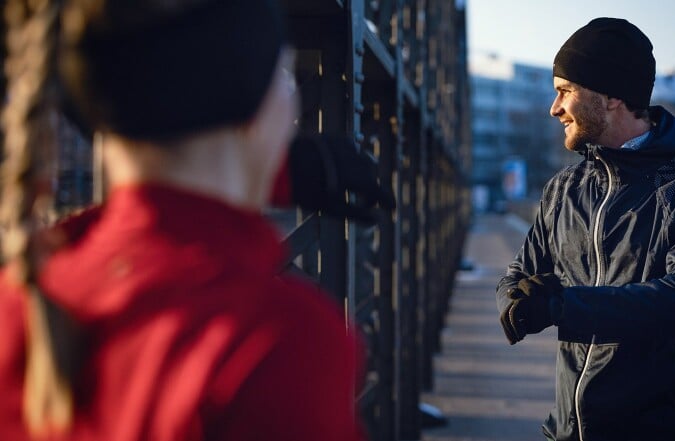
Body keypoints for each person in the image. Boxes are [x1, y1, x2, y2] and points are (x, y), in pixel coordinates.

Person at [0, 0, 393, 439]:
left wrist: (256, 172)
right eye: (283, 77)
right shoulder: (280, 345)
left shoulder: (20, 303)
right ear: (253, 112)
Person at [496, 17, 675, 441]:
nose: (554, 108)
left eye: (565, 91)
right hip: (566, 433)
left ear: (610, 97)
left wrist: (561, 306)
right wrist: (517, 302)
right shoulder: (562, 189)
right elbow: (519, 274)